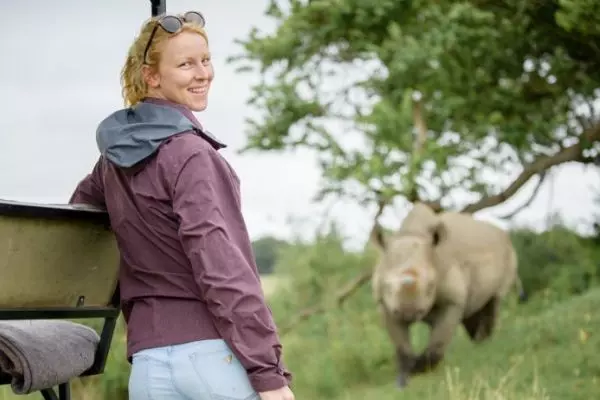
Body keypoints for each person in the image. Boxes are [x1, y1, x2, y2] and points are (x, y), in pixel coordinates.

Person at [69, 11, 294, 400]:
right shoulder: (191, 155)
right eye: (186, 64)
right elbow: (222, 269)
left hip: (149, 367)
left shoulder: (111, 162)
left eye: (205, 60)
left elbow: (77, 219)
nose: (203, 73)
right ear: (152, 77)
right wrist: (268, 374)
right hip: (212, 361)